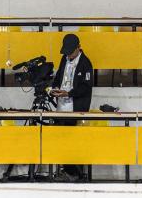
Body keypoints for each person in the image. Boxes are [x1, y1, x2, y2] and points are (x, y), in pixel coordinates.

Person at [50, 33, 94, 181]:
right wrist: (55, 88)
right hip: (61, 108)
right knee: (61, 140)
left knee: (72, 142)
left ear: (78, 48)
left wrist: (68, 93)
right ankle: (67, 171)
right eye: (66, 53)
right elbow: (58, 77)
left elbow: (85, 88)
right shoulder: (64, 59)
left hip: (75, 109)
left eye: (70, 52)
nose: (68, 55)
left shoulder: (86, 64)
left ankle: (74, 173)